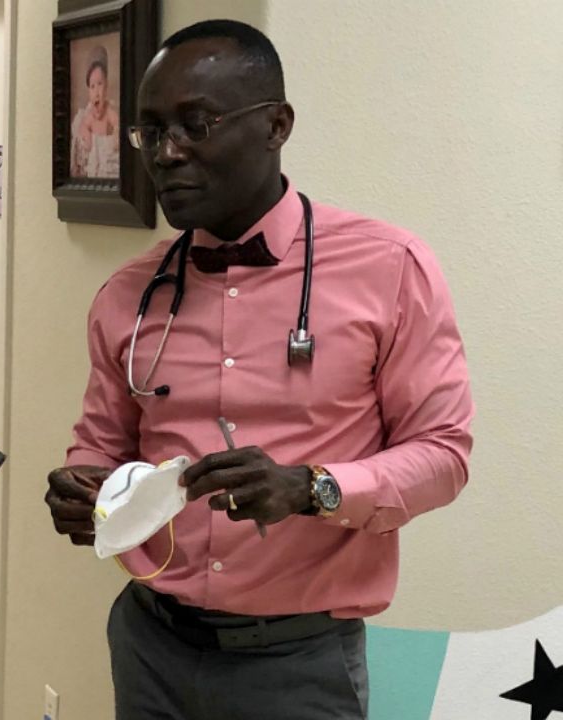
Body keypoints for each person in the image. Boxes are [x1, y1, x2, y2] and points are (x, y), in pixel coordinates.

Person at [45, 20, 473, 720]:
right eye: (149, 132)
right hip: (150, 644)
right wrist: (82, 489)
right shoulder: (128, 294)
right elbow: (100, 445)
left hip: (298, 664)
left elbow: (444, 455)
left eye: (196, 125)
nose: (167, 153)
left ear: (277, 125)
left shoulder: (389, 271)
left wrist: (313, 489)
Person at [71, 44, 121, 178]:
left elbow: (117, 123)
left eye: (100, 84)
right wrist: (86, 133)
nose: (97, 91)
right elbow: (83, 126)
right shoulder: (88, 115)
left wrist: (116, 132)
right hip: (94, 163)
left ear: (107, 87)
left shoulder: (109, 111)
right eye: (92, 86)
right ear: (88, 91)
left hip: (104, 163)